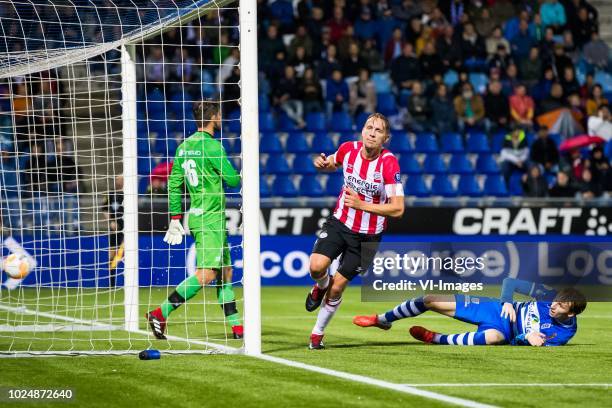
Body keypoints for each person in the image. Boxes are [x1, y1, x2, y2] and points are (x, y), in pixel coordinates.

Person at [305, 113, 404, 349]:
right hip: (340, 221)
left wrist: (362, 205)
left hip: (368, 235)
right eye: (369, 127)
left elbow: (398, 208)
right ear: (362, 131)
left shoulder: (388, 163)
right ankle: (320, 287)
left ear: (385, 139)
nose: (372, 132)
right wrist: (321, 163)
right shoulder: (348, 149)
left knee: (338, 287)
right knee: (316, 267)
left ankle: (317, 334)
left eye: (378, 130)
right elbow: (331, 162)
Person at [146, 100, 243, 340]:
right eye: (219, 116)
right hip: (210, 217)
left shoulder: (183, 147)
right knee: (208, 274)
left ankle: (237, 328)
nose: (220, 119)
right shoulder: (213, 147)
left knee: (225, 272)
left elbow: (174, 184)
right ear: (214, 118)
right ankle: (160, 312)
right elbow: (233, 181)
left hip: (200, 215)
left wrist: (175, 217)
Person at [354, 278, 587, 347]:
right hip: (495, 309)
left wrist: (523, 337)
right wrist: (507, 302)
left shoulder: (563, 335)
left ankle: (435, 339)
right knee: (430, 299)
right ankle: (382, 320)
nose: (553, 306)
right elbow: (510, 282)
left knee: (493, 338)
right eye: (555, 301)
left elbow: (529, 343)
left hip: (505, 332)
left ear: (571, 314)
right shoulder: (548, 296)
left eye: (560, 306)